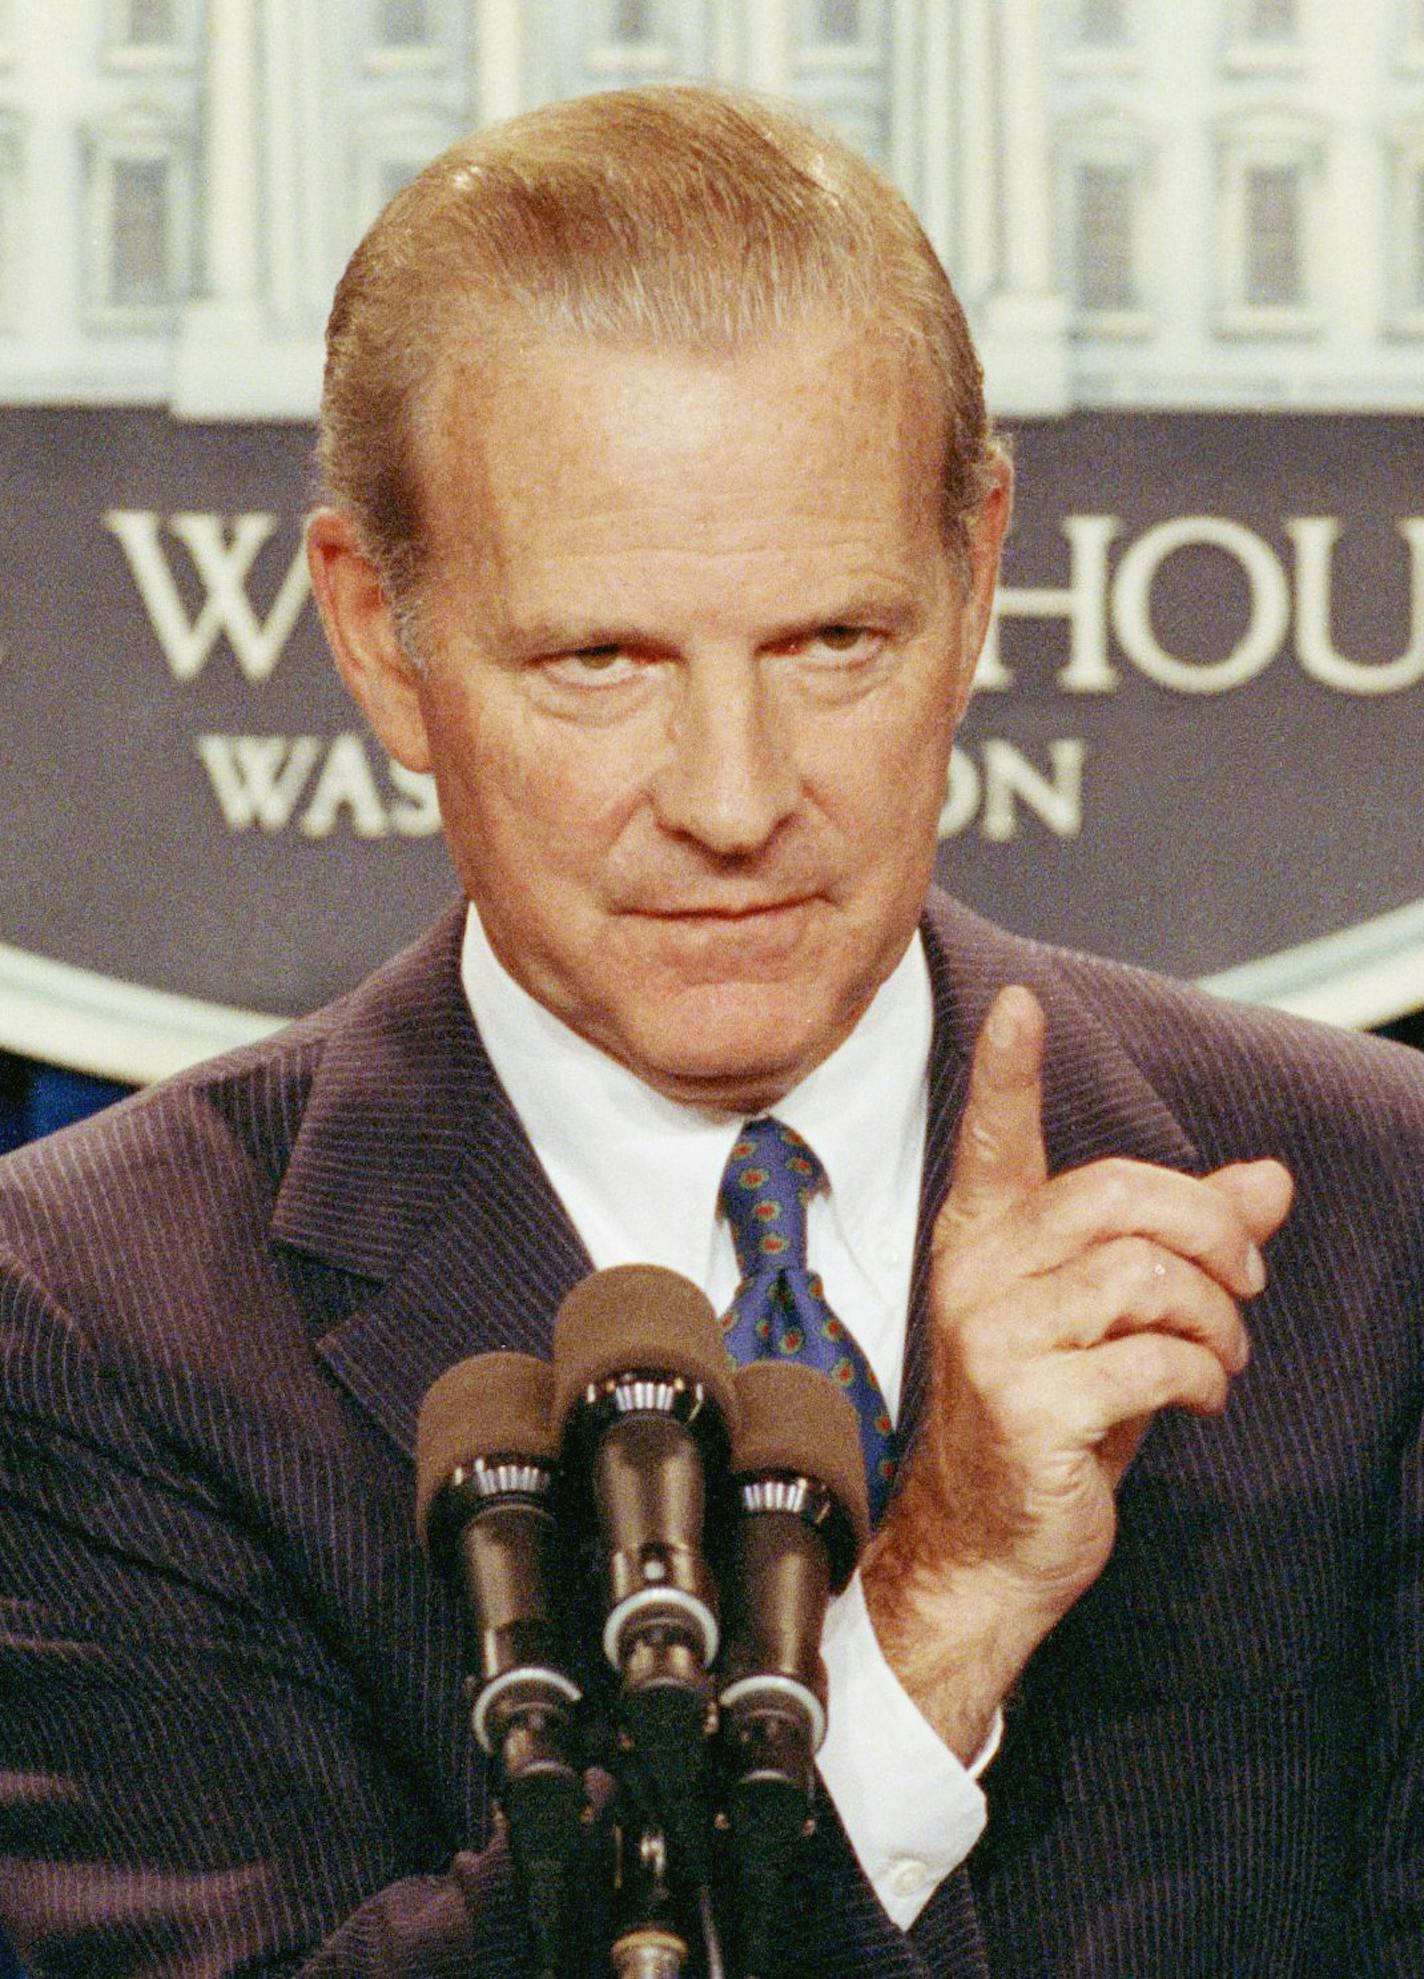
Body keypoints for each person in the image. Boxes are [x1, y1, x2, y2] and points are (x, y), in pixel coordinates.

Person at [0, 84, 1419, 1978]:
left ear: (981, 577)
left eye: (835, 644)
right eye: (601, 662)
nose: (737, 799)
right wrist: (928, 1618)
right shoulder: (105, 1318)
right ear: (377, 639)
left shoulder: (1372, 1221)